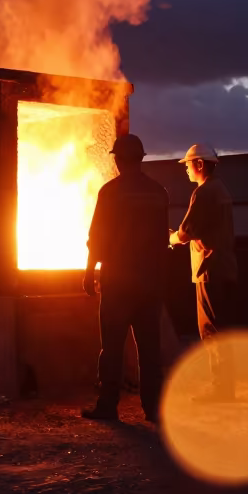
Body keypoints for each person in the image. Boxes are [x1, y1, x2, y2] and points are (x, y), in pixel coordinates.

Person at [82, 132, 170, 423]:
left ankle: (108, 406)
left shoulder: (110, 192)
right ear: (141, 158)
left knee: (112, 348)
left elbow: (97, 237)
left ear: (119, 159)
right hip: (150, 283)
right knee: (149, 349)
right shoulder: (159, 192)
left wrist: (88, 271)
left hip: (118, 282)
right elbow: (161, 240)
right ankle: (154, 409)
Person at [169, 143, 238, 402]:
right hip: (225, 267)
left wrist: (171, 238)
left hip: (209, 270)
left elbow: (186, 231)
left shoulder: (204, 192)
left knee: (211, 330)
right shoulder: (221, 190)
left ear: (199, 164)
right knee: (224, 331)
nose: (186, 170)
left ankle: (220, 390)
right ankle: (226, 388)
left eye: (188, 165)